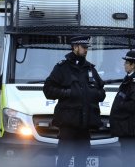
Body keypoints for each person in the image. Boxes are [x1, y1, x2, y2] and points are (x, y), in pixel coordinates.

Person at [43, 35, 106, 167]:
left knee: (82, 161)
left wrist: (93, 93)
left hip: (85, 126)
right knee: (64, 160)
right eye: (83, 47)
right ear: (75, 47)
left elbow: (101, 93)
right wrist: (68, 93)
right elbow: (48, 90)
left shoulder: (90, 69)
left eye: (87, 47)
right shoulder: (62, 68)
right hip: (68, 126)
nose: (86, 50)